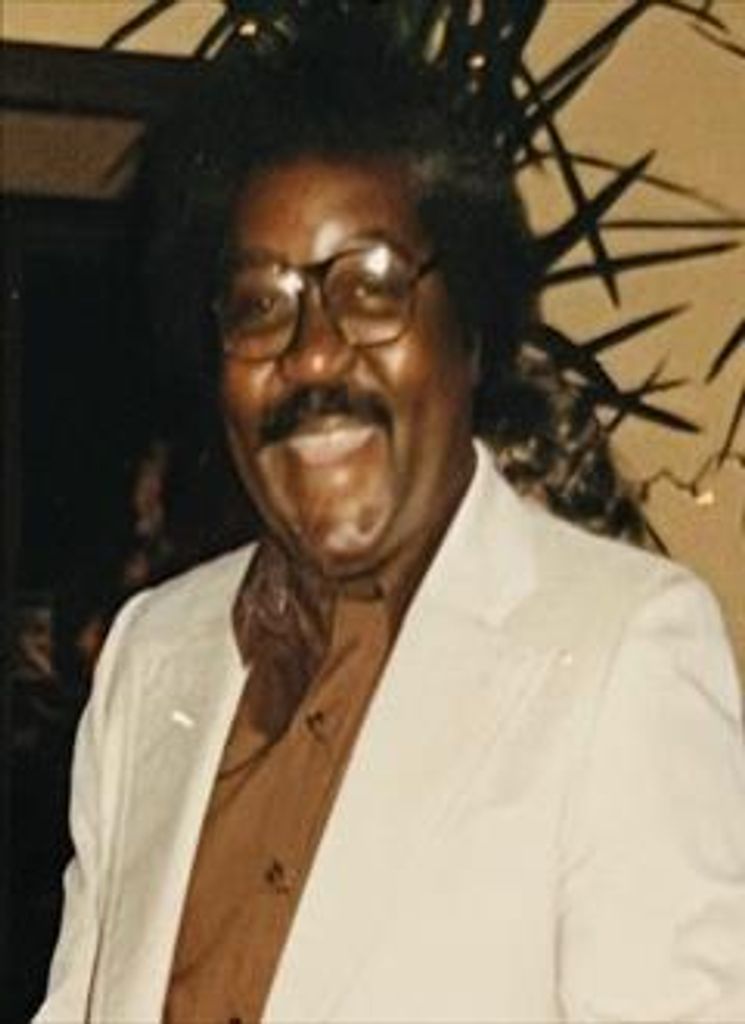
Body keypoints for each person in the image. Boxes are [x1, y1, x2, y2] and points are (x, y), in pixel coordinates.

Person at [36, 18, 745, 1023]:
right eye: (259, 305)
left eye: (371, 289)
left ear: (472, 333)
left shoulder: (619, 648)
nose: (312, 354)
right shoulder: (152, 655)